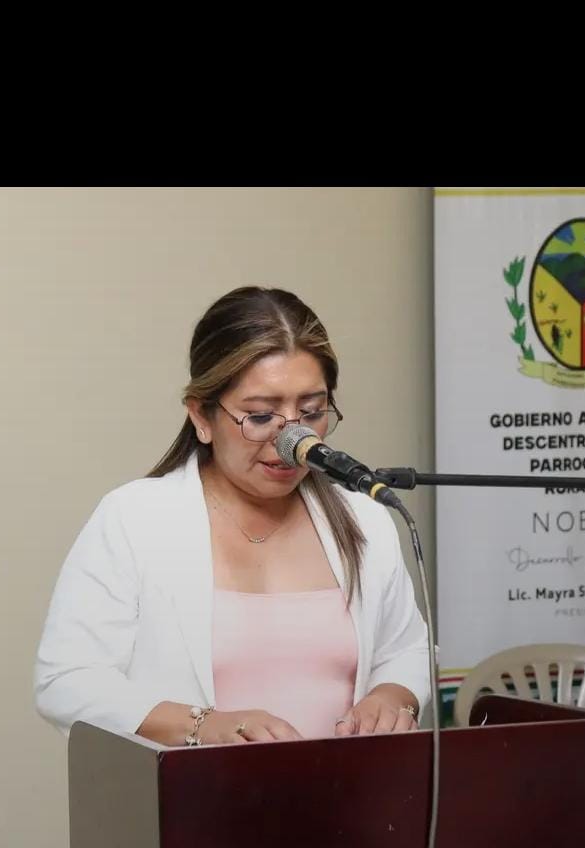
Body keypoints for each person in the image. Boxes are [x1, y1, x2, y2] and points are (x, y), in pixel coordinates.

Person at [35, 286, 431, 746]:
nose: (293, 441)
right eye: (260, 416)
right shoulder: (134, 519)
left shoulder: (363, 519)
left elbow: (406, 650)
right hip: (192, 790)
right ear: (202, 417)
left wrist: (393, 695)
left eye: (311, 412)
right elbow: (66, 682)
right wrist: (202, 724)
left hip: (348, 788)